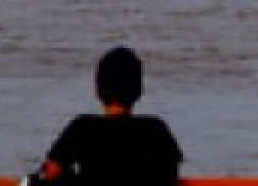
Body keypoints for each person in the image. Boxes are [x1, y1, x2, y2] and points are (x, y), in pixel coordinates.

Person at [33, 46, 182, 186]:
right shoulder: (156, 130)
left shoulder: (82, 128)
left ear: (97, 91)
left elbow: (49, 173)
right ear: (139, 91)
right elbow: (170, 175)